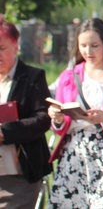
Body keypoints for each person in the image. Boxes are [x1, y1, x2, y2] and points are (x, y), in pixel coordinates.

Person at [48, 18, 103, 208]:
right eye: (83, 45)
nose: (88, 51)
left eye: (94, 45)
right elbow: (59, 128)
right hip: (74, 153)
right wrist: (58, 119)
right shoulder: (68, 77)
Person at [0, 15, 52, 208]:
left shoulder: (33, 77)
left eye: (2, 48)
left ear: (15, 46)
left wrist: (5, 132)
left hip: (20, 175)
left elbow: (43, 119)